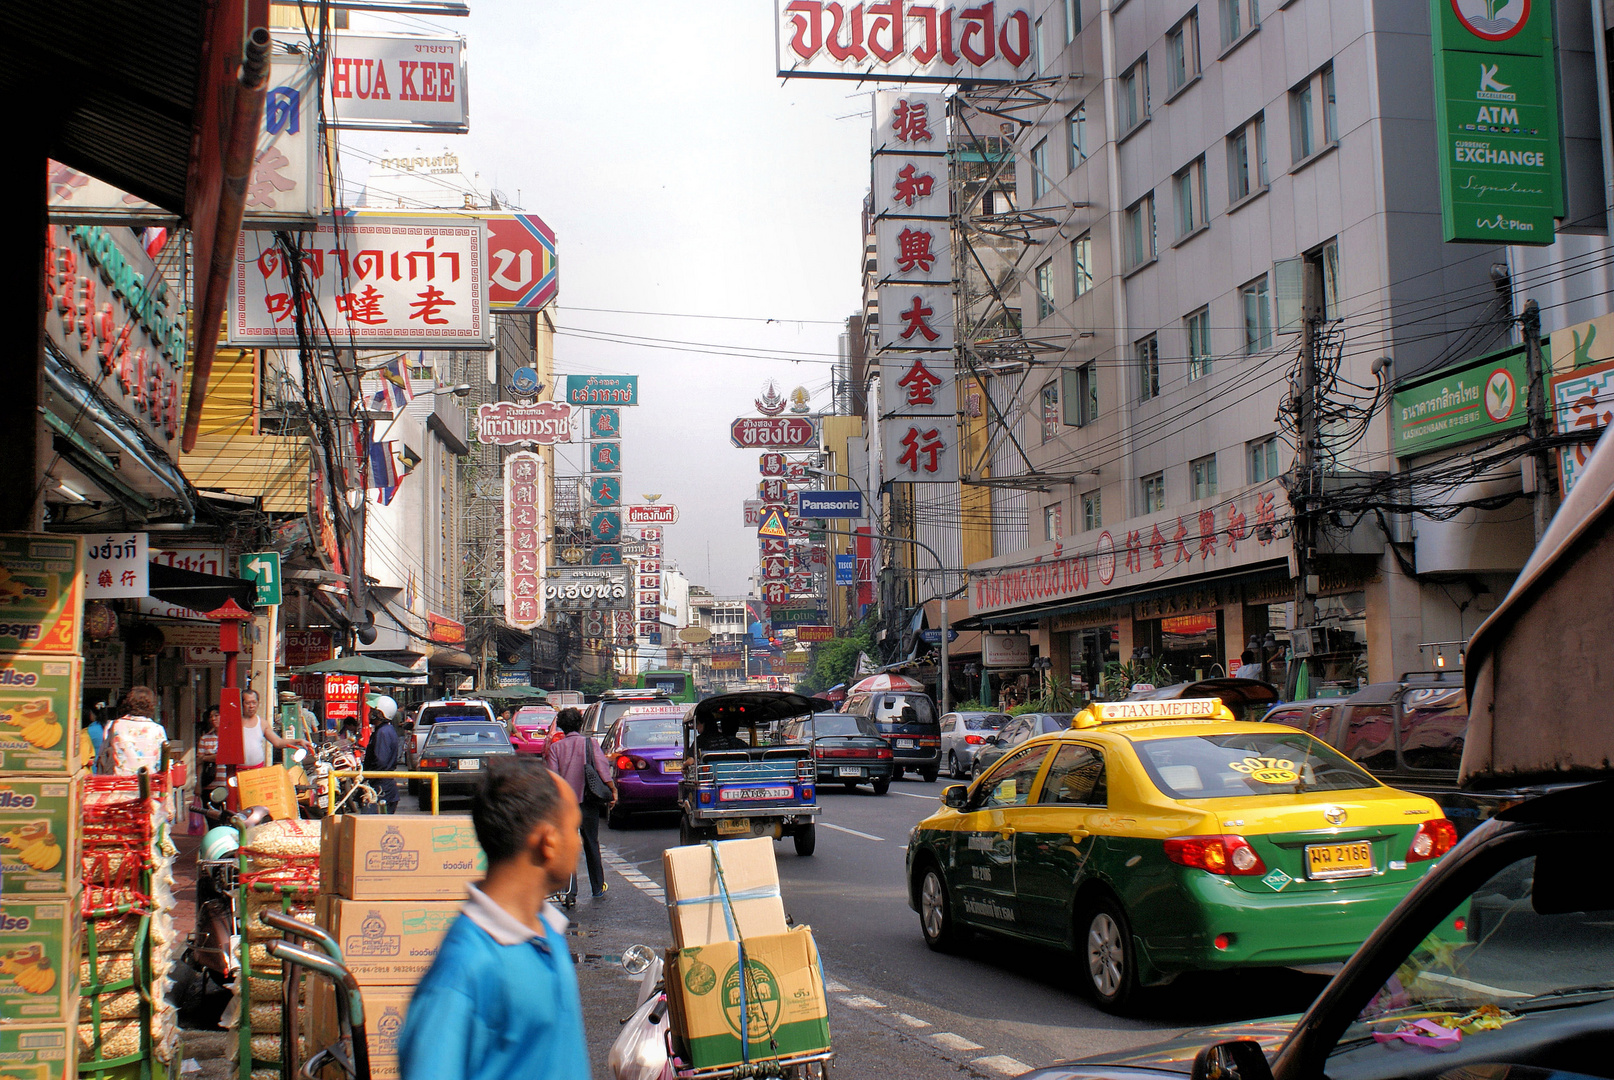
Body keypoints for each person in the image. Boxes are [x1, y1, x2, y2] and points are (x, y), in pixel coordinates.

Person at [398, 758, 589, 1080]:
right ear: (548, 841)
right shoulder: (463, 970)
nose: (579, 842)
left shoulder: (547, 934)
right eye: (574, 828)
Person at [543, 708, 617, 902]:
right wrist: (612, 790)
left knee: (567, 847)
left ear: (561, 726)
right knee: (592, 844)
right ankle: (597, 887)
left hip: (565, 807)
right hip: (588, 802)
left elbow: (553, 778)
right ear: (580, 724)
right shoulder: (590, 743)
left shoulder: (555, 748)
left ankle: (570, 892)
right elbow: (602, 769)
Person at [98, 687, 168, 776]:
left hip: (118, 784)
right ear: (151, 705)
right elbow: (162, 763)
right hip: (148, 784)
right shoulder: (157, 729)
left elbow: (103, 754)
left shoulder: (113, 726)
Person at [240, 688, 312, 768]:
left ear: (258, 703)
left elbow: (278, 742)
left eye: (254, 702)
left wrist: (298, 741)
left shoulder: (262, 723)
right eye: (247, 703)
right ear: (242, 704)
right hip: (237, 771)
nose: (251, 706)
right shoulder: (235, 723)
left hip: (257, 769)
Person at [363, 704, 402, 814]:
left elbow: (381, 760)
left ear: (380, 714)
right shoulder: (383, 730)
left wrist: (370, 775)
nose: (369, 714)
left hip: (381, 788)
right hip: (382, 786)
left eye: (372, 711)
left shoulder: (383, 732)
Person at [197, 706, 220, 788]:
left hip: (225, 784)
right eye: (211, 717)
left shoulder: (230, 737)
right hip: (208, 785)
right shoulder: (204, 738)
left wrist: (205, 758)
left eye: (216, 715)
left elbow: (222, 757)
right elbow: (199, 762)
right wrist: (198, 784)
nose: (213, 719)